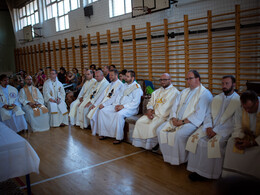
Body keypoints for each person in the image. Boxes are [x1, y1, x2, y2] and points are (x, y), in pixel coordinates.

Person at [186, 75, 240, 181]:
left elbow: (233, 122)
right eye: (222, 83)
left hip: (223, 130)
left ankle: (209, 173)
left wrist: (216, 131)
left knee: (209, 145)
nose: (224, 86)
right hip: (210, 127)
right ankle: (196, 169)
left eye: (227, 83)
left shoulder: (238, 101)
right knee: (195, 139)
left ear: (234, 84)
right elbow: (208, 114)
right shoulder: (217, 98)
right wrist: (209, 127)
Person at [156, 70, 213, 165]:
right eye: (187, 79)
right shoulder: (184, 91)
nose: (188, 81)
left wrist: (182, 122)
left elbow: (199, 114)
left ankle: (181, 159)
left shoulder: (204, 93)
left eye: (190, 78)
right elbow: (175, 106)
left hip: (190, 122)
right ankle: (168, 157)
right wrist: (174, 118)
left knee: (178, 135)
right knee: (159, 130)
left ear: (197, 79)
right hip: (176, 120)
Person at [132, 73, 180, 150]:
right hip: (153, 114)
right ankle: (142, 144)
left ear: (170, 80)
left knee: (151, 126)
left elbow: (168, 107)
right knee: (140, 122)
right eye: (161, 80)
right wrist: (149, 110)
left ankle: (153, 144)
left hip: (163, 116)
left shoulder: (175, 93)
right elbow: (151, 102)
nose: (162, 82)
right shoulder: (157, 92)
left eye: (165, 80)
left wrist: (154, 112)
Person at [97, 70, 143, 144]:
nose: (125, 78)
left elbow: (135, 103)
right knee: (103, 111)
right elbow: (119, 96)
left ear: (133, 78)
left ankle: (119, 137)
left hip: (131, 108)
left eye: (128, 77)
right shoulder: (124, 85)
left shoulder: (137, 88)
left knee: (119, 115)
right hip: (119, 105)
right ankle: (104, 133)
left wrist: (123, 106)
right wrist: (117, 105)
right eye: (125, 76)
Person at [223, 90, 260, 179]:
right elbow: (237, 125)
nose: (247, 111)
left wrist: (252, 143)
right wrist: (238, 138)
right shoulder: (241, 108)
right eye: (245, 108)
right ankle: (231, 177)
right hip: (246, 135)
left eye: (249, 108)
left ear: (257, 103)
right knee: (231, 143)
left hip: (258, 139)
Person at [87, 69, 124, 137]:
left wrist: (104, 104)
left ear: (116, 75)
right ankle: (98, 131)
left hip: (112, 104)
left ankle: (104, 133)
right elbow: (102, 95)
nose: (110, 77)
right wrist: (95, 105)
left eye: (112, 75)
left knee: (100, 112)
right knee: (93, 110)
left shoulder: (120, 85)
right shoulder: (110, 84)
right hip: (105, 103)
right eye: (109, 75)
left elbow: (114, 98)